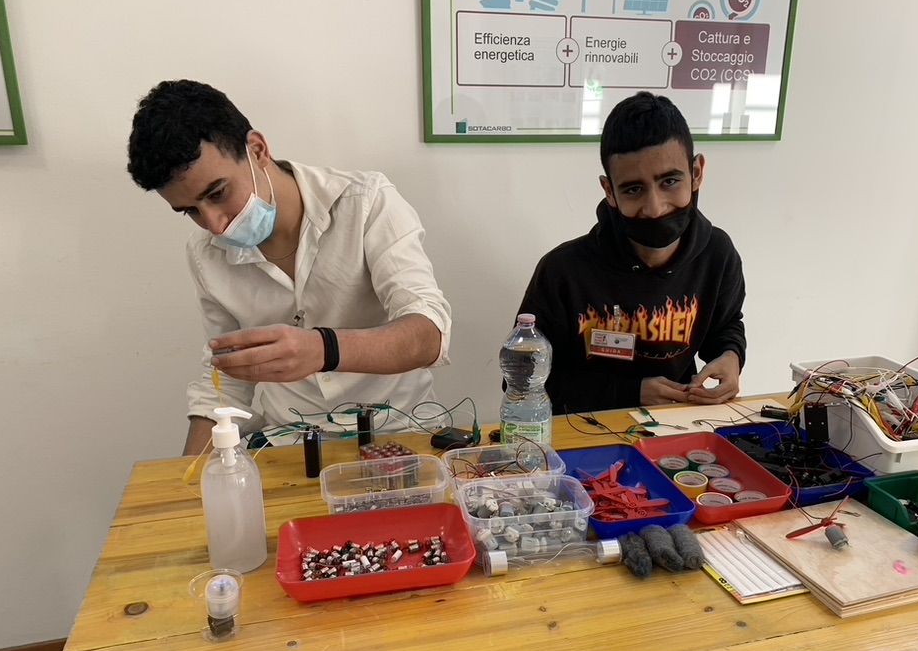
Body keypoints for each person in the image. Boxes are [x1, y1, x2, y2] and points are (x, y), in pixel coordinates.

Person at [127, 80, 452, 455]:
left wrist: (323, 349)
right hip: (290, 445)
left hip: (401, 434)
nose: (216, 225)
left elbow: (430, 333)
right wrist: (185, 480)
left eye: (217, 193)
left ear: (257, 150)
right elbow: (227, 379)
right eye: (190, 211)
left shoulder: (366, 203)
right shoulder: (206, 254)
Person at [515, 91, 746, 414]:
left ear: (696, 173)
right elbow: (522, 381)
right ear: (609, 191)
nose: (654, 208)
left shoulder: (717, 255)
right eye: (634, 189)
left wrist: (731, 356)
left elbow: (725, 326)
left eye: (669, 181)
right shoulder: (561, 272)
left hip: (678, 426)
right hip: (585, 431)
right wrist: (630, 393)